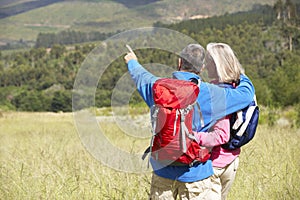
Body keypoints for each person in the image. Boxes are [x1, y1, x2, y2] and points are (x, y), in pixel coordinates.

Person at [124, 44, 255, 200]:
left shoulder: (156, 87)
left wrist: (132, 61)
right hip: (197, 174)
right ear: (202, 68)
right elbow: (246, 95)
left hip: (162, 172)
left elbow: (139, 75)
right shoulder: (211, 93)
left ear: (179, 62)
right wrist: (238, 72)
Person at [195, 42, 247, 200]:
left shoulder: (218, 92)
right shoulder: (237, 87)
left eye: (209, 60)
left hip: (215, 164)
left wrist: (193, 136)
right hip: (232, 160)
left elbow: (221, 135)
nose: (205, 65)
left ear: (217, 64)